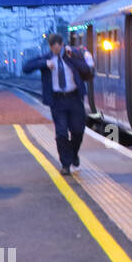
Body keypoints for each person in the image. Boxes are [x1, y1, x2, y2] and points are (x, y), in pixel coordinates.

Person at [23, 33, 94, 176]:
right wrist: (44, 64)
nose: (56, 49)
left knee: (78, 131)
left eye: (58, 46)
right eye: (53, 47)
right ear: (50, 47)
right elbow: (26, 67)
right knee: (61, 133)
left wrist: (73, 56)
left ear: (62, 44)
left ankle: (73, 154)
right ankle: (65, 164)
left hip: (74, 99)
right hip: (57, 101)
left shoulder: (72, 56)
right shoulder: (46, 58)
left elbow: (87, 70)